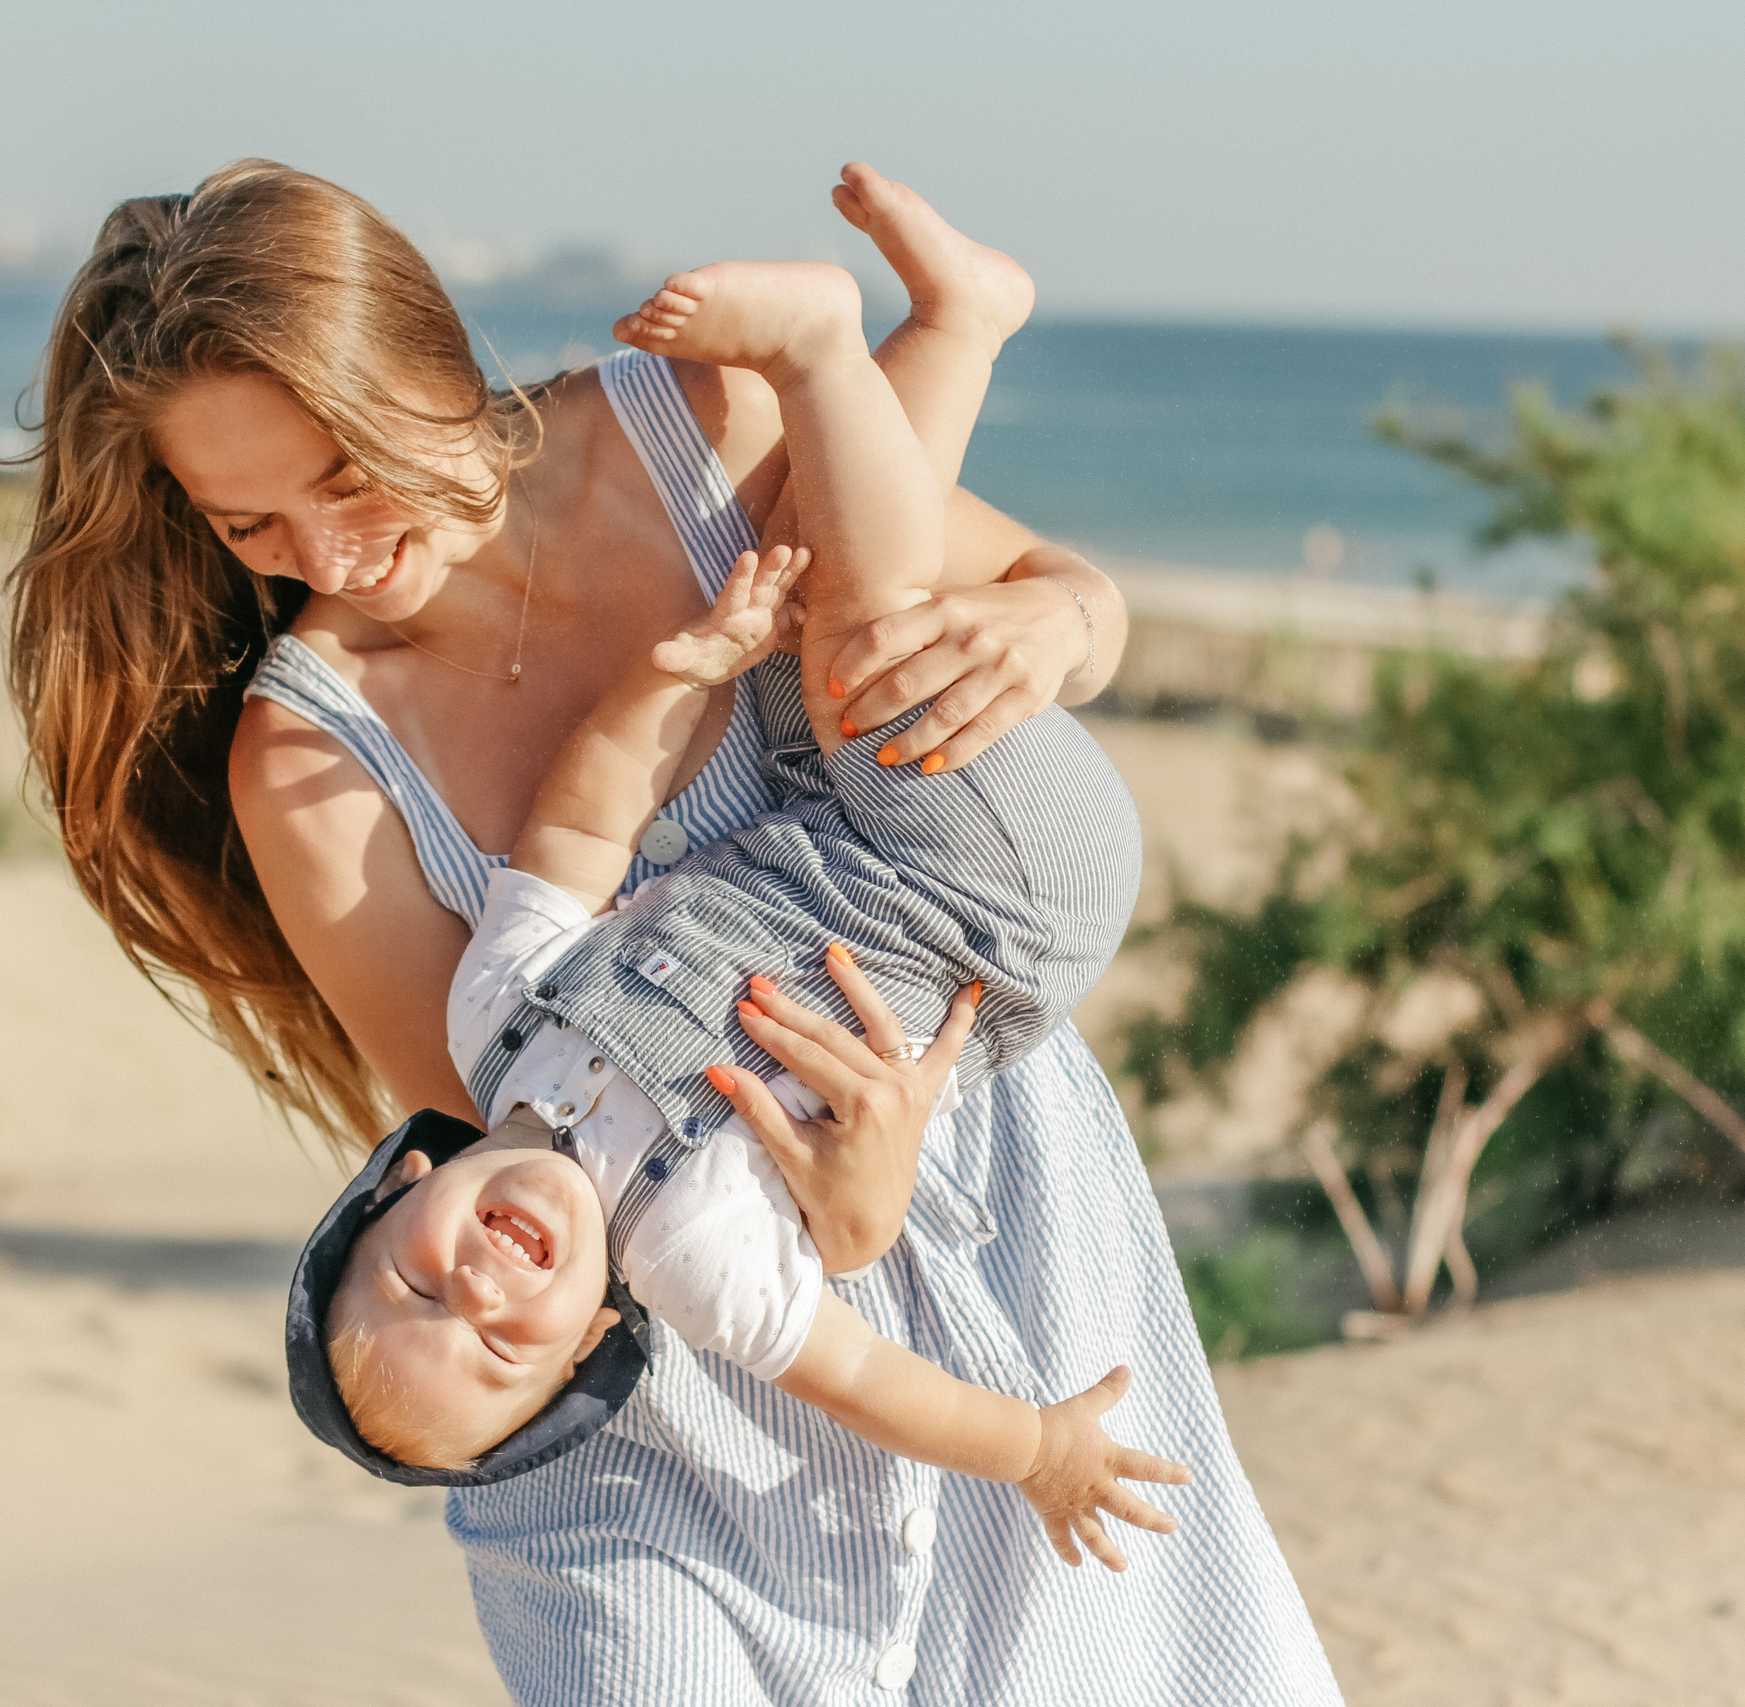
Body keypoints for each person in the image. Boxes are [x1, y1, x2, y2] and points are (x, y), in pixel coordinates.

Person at [9, 157, 1341, 1704]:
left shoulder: (690, 423)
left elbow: (1016, 587)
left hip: (989, 1194)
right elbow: (505, 1135)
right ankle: (948, 325)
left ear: (427, 366)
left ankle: (948, 324)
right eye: (251, 525)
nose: (330, 556)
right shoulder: (306, 761)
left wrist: (1068, 616)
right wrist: (842, 1227)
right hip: (675, 1392)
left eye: (348, 475)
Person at [321, 255, 1184, 1568]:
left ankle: (960, 323)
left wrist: (681, 674)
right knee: (865, 640)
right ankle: (825, 351)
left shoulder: (497, 1019)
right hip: (991, 898)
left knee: (788, 549)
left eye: (419, 1282)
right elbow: (868, 1384)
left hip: (826, 819)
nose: (482, 1288)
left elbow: (577, 832)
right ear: (589, 1348)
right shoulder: (691, 1254)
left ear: (398, 1187)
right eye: (502, 1345)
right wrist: (1040, 1451)